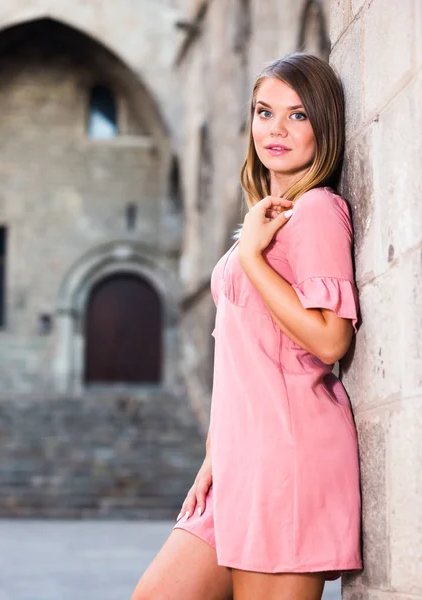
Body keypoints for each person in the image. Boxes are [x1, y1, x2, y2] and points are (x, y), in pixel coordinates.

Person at [131, 52, 362, 600]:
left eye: (298, 115)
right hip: (239, 462)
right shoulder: (272, 212)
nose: (276, 129)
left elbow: (332, 338)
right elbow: (244, 350)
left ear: (324, 126)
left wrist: (254, 261)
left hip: (286, 460)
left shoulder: (316, 211)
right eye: (264, 111)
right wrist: (216, 452)